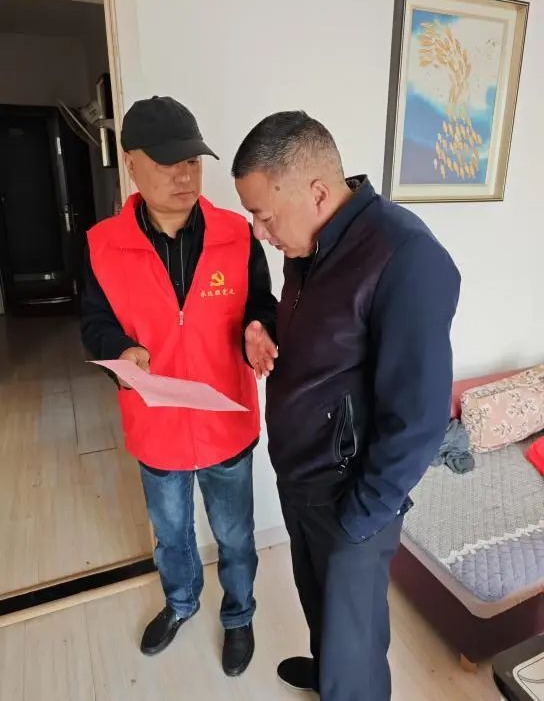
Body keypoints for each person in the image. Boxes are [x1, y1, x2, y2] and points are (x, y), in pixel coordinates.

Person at [232, 111, 461, 700]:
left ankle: (347, 684)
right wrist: (260, 326)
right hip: (302, 474)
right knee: (320, 603)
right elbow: (321, 341)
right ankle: (328, 671)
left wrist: (363, 514)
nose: (260, 232)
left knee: (353, 640)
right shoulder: (309, 244)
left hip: (351, 493)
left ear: (316, 192)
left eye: (264, 216)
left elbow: (420, 416)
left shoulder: (405, 256)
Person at [81, 96, 278, 676]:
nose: (185, 175)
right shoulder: (101, 245)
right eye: (168, 162)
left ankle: (238, 616)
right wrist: (120, 349)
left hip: (226, 419)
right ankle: (182, 603)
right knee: (171, 536)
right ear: (131, 163)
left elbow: (262, 303)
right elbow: (94, 323)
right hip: (156, 423)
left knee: (235, 535)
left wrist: (259, 328)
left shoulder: (237, 234)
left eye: (192, 161)